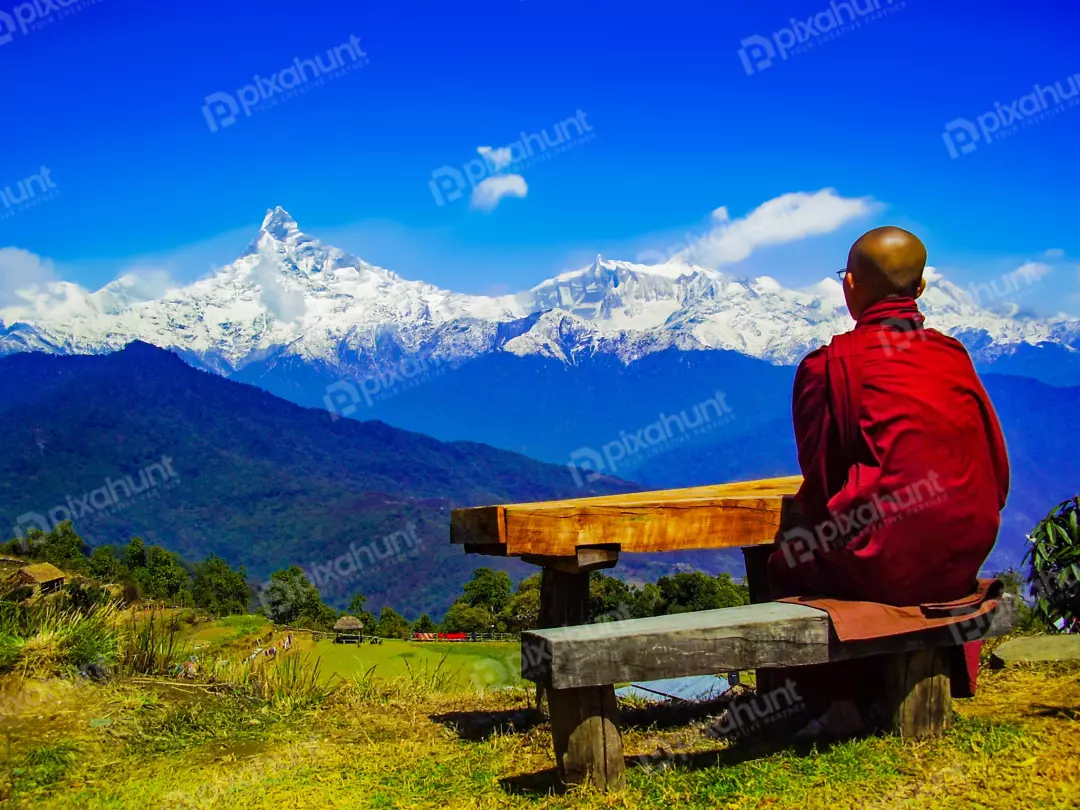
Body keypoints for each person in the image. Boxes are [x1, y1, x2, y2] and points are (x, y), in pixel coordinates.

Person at [767, 226, 1010, 735]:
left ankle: (830, 703)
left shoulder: (827, 366)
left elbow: (823, 476)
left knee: (792, 553)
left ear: (848, 286)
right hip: (963, 552)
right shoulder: (953, 357)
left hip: (880, 559)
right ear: (920, 290)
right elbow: (995, 465)